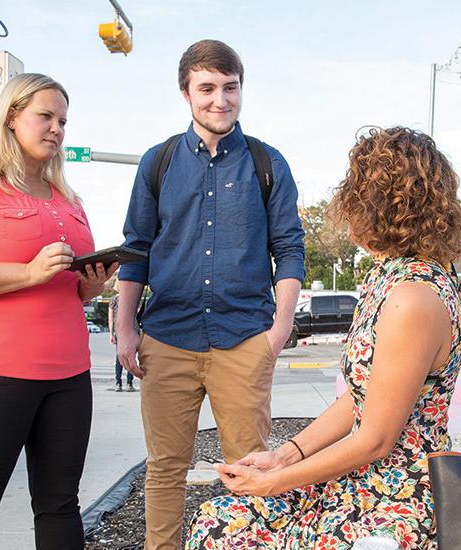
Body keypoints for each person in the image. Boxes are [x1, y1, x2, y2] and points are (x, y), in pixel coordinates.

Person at [186, 127, 461, 549]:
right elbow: (363, 398)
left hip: (396, 497)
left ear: (377, 204)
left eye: (355, 192)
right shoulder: (389, 276)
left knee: (229, 530)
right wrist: (283, 456)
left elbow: (375, 439)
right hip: (364, 481)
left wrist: (275, 482)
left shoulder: (413, 296)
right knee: (219, 518)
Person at [114, 39, 305, 549]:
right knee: (165, 469)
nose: (219, 100)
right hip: (168, 338)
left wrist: (279, 328)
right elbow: (136, 248)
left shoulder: (267, 164)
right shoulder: (158, 163)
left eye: (230, 88)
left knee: (250, 470)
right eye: (207, 88)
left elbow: (289, 248)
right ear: (186, 93)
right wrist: (125, 327)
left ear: (241, 90)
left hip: (244, 337)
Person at [0, 73, 116, 550]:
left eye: (63, 121)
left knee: (60, 505)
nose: (56, 129)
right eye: (45, 116)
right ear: (11, 117)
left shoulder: (70, 200)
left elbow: (70, 290)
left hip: (68, 377)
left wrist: (92, 287)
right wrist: (28, 273)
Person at [107, 280, 135, 391]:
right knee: (131, 356)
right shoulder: (131, 298)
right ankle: (129, 383)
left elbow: (110, 319)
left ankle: (118, 383)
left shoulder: (113, 299)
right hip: (132, 329)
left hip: (118, 331)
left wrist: (111, 334)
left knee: (119, 357)